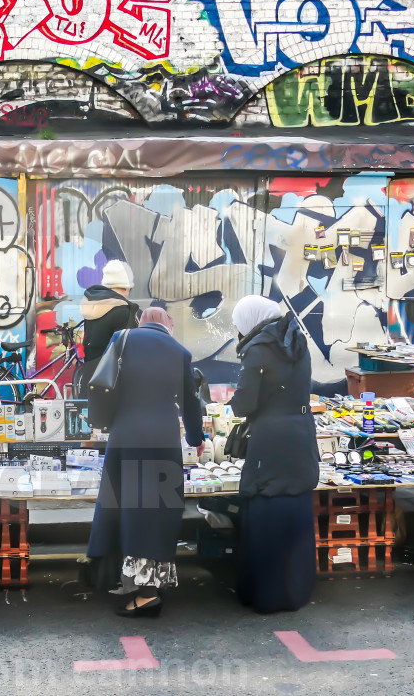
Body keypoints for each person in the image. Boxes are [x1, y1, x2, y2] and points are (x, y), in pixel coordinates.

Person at [86, 306, 204, 617]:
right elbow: (192, 404)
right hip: (162, 439)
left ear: (142, 321)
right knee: (154, 511)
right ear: (167, 324)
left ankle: (118, 578)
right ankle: (148, 589)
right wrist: (195, 438)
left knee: (120, 504)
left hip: (126, 434)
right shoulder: (180, 352)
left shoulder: (123, 338)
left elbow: (105, 380)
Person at [229, 295, 320, 614]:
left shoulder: (259, 348)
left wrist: (233, 400)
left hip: (271, 438)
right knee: (295, 505)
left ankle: (267, 593)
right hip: (301, 433)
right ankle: (295, 590)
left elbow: (245, 403)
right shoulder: (297, 340)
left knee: (267, 508)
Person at [78, 260, 139, 397]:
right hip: (113, 387)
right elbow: (130, 351)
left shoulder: (92, 307)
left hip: (90, 381)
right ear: (125, 287)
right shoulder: (122, 311)